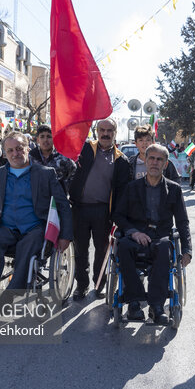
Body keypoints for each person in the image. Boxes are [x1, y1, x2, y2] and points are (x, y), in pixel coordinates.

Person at [0, 131, 73, 320]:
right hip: (6, 229)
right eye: (10, 150)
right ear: (4, 153)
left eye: (19, 148)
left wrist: (66, 235)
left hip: (34, 228)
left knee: (30, 242)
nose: (15, 153)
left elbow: (62, 206)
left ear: (28, 148)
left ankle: (10, 295)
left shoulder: (45, 174)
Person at [113, 144, 192, 324]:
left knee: (165, 247)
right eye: (152, 158)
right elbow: (118, 215)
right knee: (123, 246)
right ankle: (134, 303)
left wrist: (187, 249)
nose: (155, 162)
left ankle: (157, 307)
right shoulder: (131, 187)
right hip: (136, 236)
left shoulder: (174, 189)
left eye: (159, 159)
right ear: (145, 161)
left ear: (165, 164)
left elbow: (182, 222)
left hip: (160, 237)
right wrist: (133, 232)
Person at [68, 118, 130, 300]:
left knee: (102, 251)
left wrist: (117, 218)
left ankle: (99, 284)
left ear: (115, 133)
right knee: (80, 249)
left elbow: (121, 193)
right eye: (102, 129)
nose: (105, 133)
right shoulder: (85, 149)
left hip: (103, 212)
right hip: (79, 209)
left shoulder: (121, 161)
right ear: (96, 131)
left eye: (109, 130)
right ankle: (81, 285)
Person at [29, 125, 77, 194]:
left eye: (49, 136)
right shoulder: (30, 158)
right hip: (35, 200)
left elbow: (73, 174)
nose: (45, 140)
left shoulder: (63, 158)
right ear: (38, 140)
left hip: (57, 201)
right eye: (42, 137)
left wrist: (64, 189)